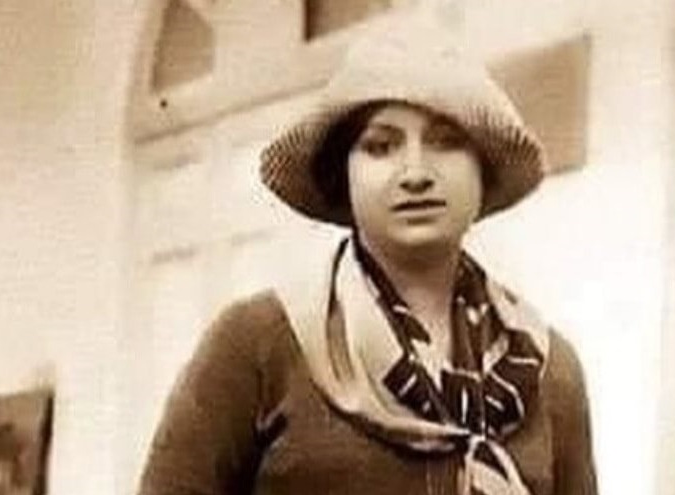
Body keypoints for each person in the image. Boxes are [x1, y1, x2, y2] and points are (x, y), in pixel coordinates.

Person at [139, 19, 597, 495]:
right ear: (345, 175)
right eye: (380, 146)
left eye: (446, 142)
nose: (415, 173)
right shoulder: (256, 343)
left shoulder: (548, 369)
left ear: (484, 168)